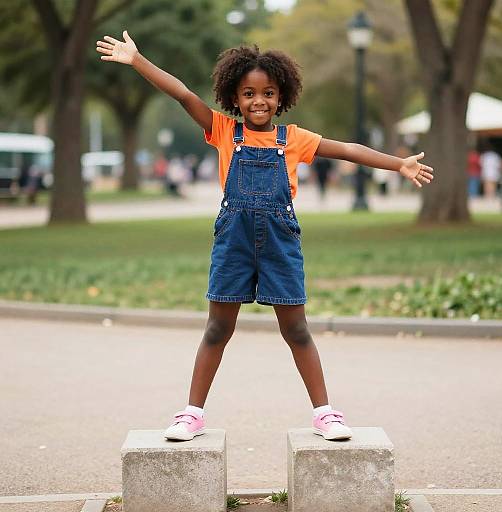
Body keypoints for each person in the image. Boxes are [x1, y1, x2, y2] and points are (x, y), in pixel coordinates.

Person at [97, 32, 434, 442]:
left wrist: (398, 164)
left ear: (282, 96)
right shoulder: (223, 131)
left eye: (268, 93)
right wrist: (137, 61)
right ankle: (191, 414)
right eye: (249, 93)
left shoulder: (293, 139)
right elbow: (183, 94)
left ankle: (325, 413)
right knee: (217, 329)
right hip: (233, 245)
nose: (259, 101)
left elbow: (346, 150)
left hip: (280, 246)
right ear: (233, 98)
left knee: (296, 329)